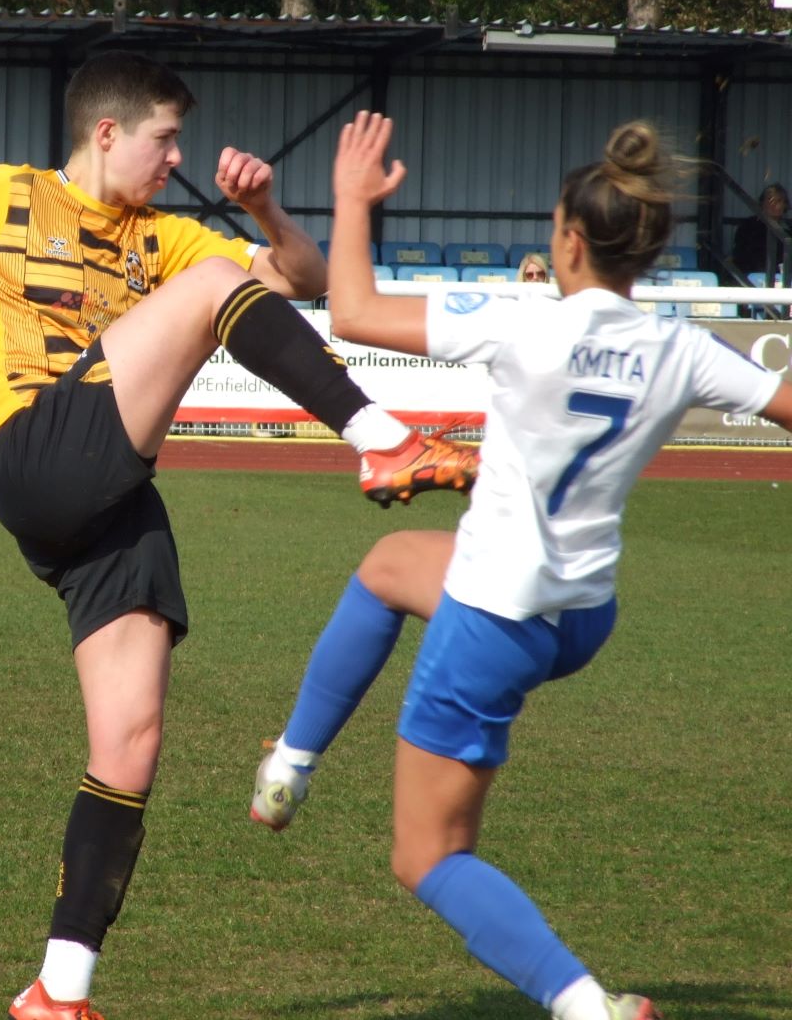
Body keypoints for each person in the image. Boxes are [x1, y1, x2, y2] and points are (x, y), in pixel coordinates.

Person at [0, 53, 477, 1020]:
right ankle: (381, 438)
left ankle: (56, 993)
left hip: (110, 496)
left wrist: (270, 211)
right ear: (108, 133)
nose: (176, 157)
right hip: (30, 450)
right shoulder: (7, 196)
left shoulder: (164, 236)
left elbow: (302, 282)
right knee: (206, 292)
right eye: (164, 138)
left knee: (132, 741)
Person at [250, 112, 792, 1020]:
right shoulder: (685, 346)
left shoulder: (521, 325)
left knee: (427, 857)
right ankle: (290, 764)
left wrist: (351, 200)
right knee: (390, 564)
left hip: (496, 619)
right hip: (579, 616)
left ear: (570, 239)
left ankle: (584, 1006)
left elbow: (350, 312)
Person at [731, 182, 788, 276]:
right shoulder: (748, 226)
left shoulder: (788, 230)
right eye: (770, 200)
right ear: (762, 203)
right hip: (752, 278)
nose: (774, 204)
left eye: (779, 201)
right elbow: (741, 257)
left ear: (785, 205)